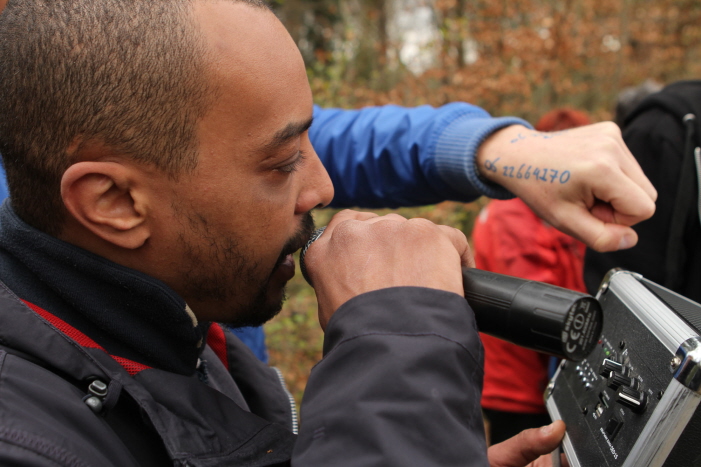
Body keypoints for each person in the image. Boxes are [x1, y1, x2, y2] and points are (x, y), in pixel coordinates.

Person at [0, 1, 655, 465]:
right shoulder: (29, 439)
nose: (322, 187)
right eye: (282, 162)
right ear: (114, 201)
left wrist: (418, 447)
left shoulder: (176, 308)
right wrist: (395, 340)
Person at [473, 109, 591, 445]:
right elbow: (539, 301)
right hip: (518, 389)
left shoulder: (544, 207)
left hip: (541, 380)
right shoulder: (514, 211)